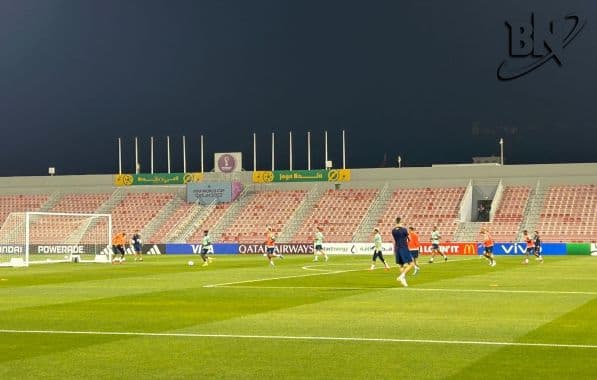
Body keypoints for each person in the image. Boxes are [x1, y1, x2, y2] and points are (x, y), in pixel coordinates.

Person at [392, 217, 414, 287]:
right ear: (401, 221)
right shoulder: (404, 229)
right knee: (411, 264)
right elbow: (409, 239)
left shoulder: (393, 230)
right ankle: (402, 276)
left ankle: (403, 280)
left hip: (397, 248)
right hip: (404, 248)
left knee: (401, 265)